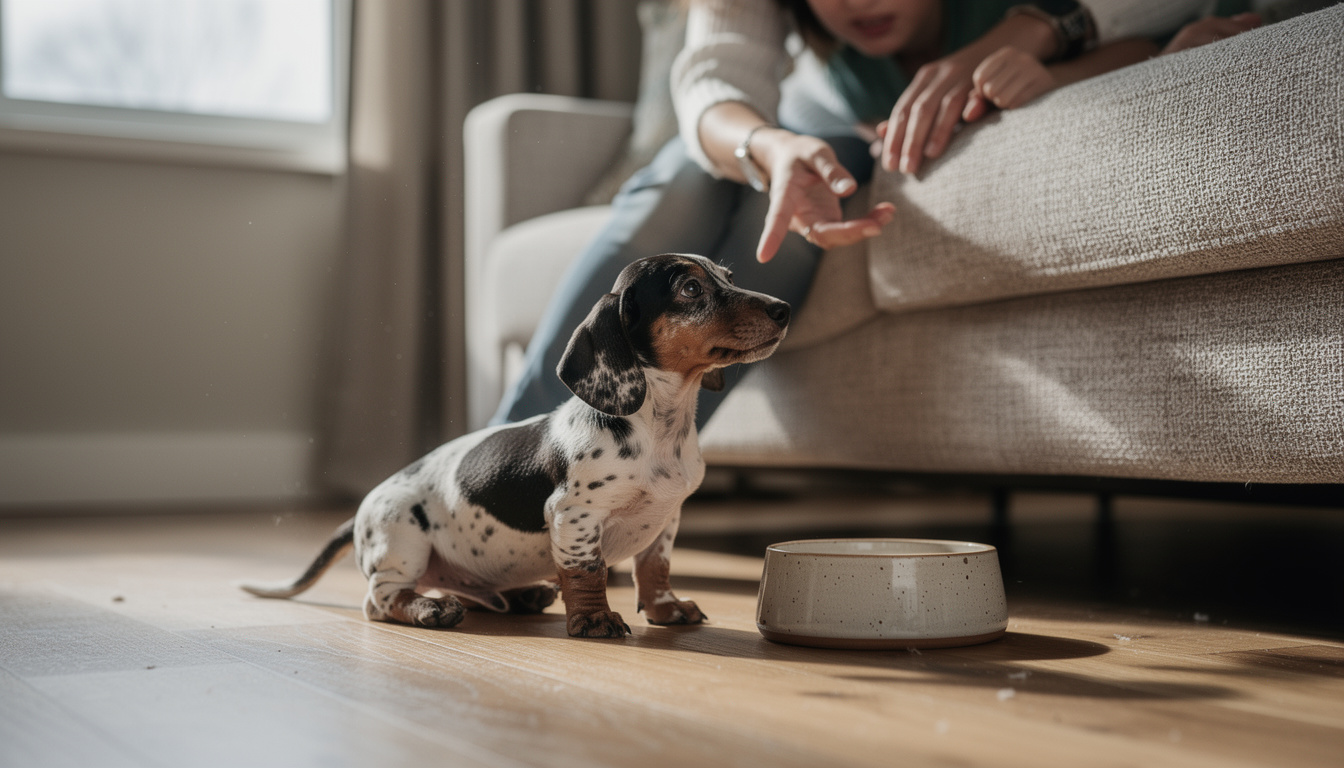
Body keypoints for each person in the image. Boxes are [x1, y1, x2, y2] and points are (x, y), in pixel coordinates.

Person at [491, 0, 1215, 429]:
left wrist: (1036, 40)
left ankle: (603, 491)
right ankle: (501, 457)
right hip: (802, 133)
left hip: (851, 146)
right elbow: (713, 79)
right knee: (695, 170)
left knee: (806, 191)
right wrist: (770, 148)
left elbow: (1155, 26)